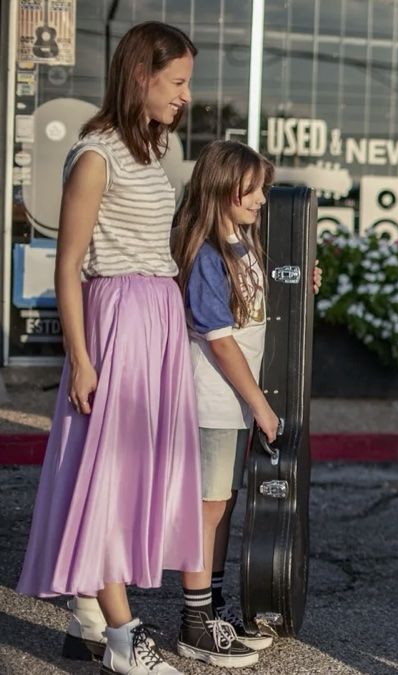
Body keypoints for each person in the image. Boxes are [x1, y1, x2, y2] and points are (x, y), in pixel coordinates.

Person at [16, 21, 202, 675]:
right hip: (117, 316)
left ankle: (90, 619)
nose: (185, 96)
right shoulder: (95, 152)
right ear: (140, 76)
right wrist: (84, 356)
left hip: (156, 313)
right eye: (176, 81)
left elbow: (161, 241)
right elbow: (67, 264)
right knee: (109, 477)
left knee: (136, 475)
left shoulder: (154, 149)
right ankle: (123, 637)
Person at [170, 140, 301, 667]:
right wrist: (262, 407)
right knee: (208, 510)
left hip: (231, 407)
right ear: (224, 187)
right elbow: (220, 340)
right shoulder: (205, 250)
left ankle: (212, 608)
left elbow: (254, 310)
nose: (262, 199)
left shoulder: (241, 242)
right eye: (253, 189)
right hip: (212, 404)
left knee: (220, 506)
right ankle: (194, 624)